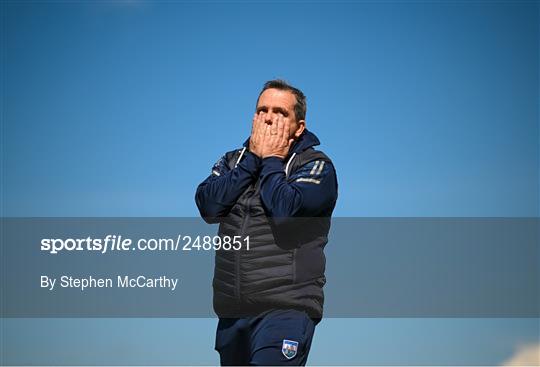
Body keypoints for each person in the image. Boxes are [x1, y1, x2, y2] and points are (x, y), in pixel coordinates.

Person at [195, 79, 338, 366]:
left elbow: (286, 212)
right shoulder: (233, 161)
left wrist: (272, 159)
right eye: (262, 110)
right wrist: (251, 162)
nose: (269, 117)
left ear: (299, 126)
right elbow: (208, 205)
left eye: (280, 112)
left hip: (285, 310)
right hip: (232, 314)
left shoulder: (316, 166)